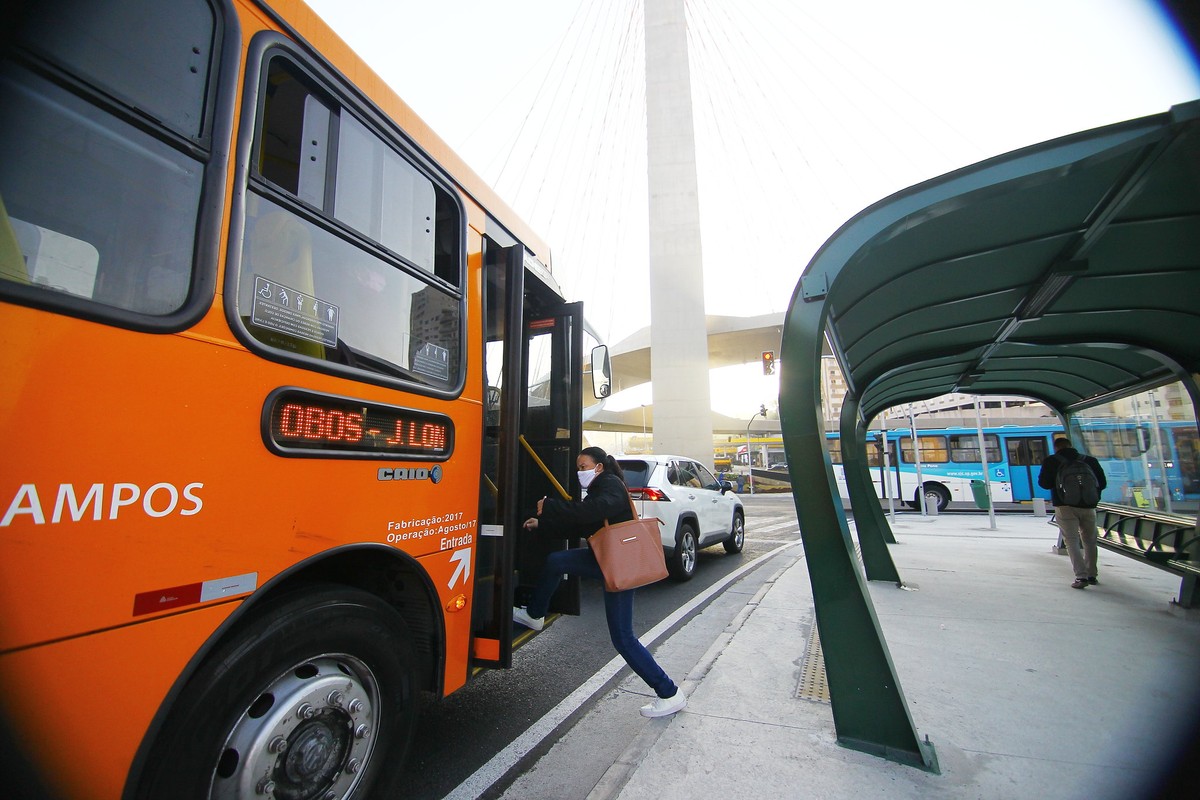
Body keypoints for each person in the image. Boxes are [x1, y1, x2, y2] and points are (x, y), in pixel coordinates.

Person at [513, 446, 687, 718]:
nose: (579, 472)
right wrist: (542, 523)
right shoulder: (599, 487)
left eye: (583, 466)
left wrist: (551, 506)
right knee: (557, 561)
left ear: (599, 467)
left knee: (623, 639)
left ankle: (669, 692)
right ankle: (535, 614)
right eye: (578, 467)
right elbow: (582, 525)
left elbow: (591, 511)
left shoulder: (609, 485)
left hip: (618, 564)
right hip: (606, 558)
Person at [1038, 437, 1107, 589]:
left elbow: (1044, 483)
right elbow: (1102, 483)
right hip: (1089, 506)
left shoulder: (1052, 461)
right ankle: (1092, 574)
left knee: (1071, 541)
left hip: (1064, 506)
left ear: (1056, 448)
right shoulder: (1089, 460)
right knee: (1089, 540)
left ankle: (1081, 577)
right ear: (1071, 446)